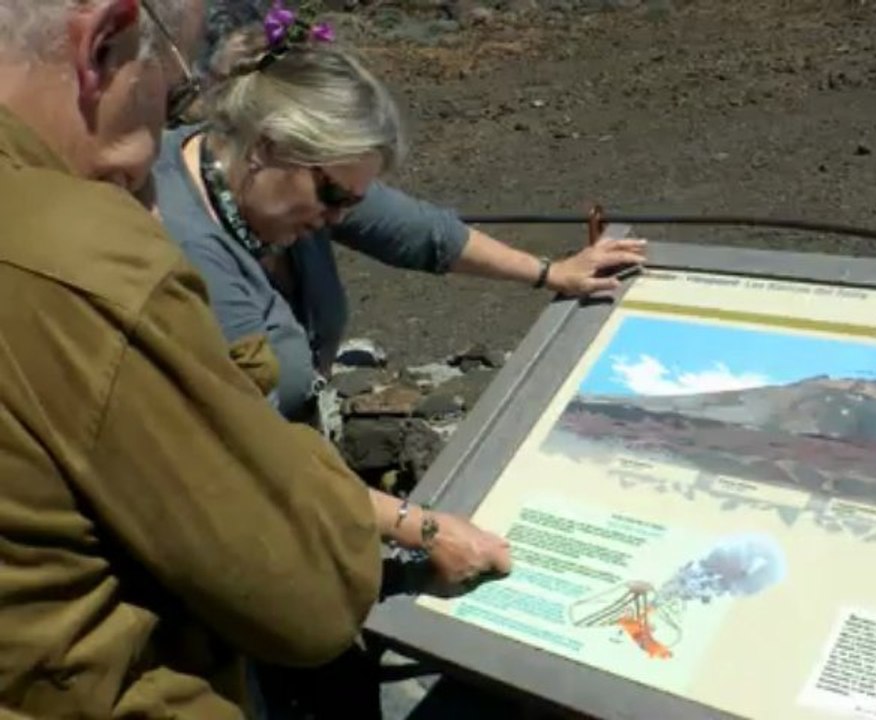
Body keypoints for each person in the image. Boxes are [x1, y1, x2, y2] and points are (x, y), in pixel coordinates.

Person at [0, 2, 509, 718]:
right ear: (104, 42)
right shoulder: (105, 256)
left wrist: (552, 272)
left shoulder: (275, 191)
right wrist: (416, 526)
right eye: (174, 90)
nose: (170, 126)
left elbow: (401, 223)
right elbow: (303, 599)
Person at [151, 9, 649, 426]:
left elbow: (422, 233)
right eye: (334, 196)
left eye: (351, 201)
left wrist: (552, 272)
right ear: (268, 146)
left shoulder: (282, 184)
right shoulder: (185, 251)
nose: (339, 217)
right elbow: (244, 436)